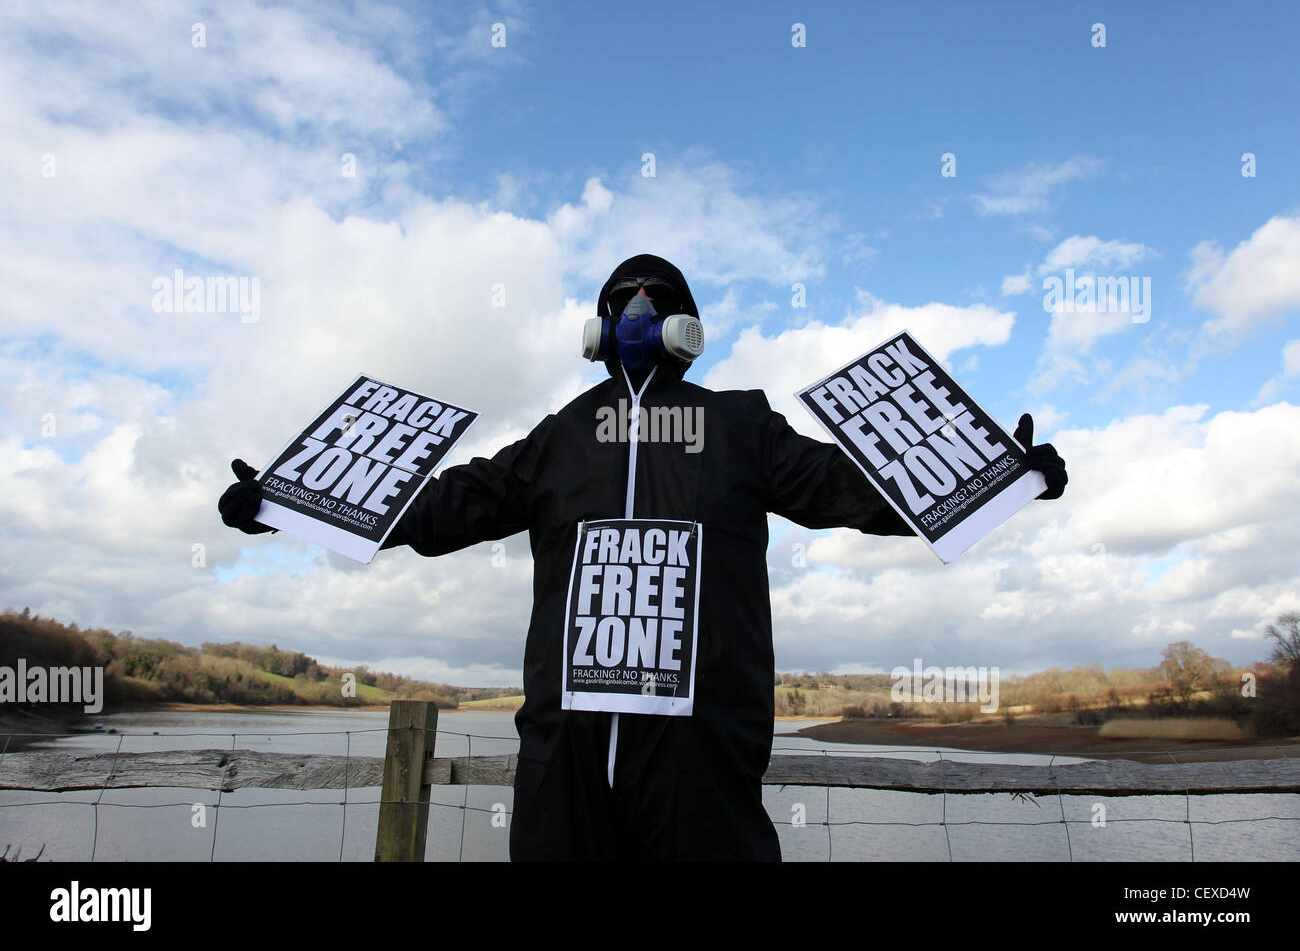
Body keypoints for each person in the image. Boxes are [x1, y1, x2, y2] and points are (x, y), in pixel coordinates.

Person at [219, 253, 1067, 860]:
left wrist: (1000, 477)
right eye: (620, 299)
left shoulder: (740, 426)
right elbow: (450, 503)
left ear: (686, 327)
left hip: (702, 753)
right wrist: (287, 506)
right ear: (596, 329)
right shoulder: (559, 436)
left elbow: (851, 487)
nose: (635, 310)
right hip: (566, 756)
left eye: (655, 298)